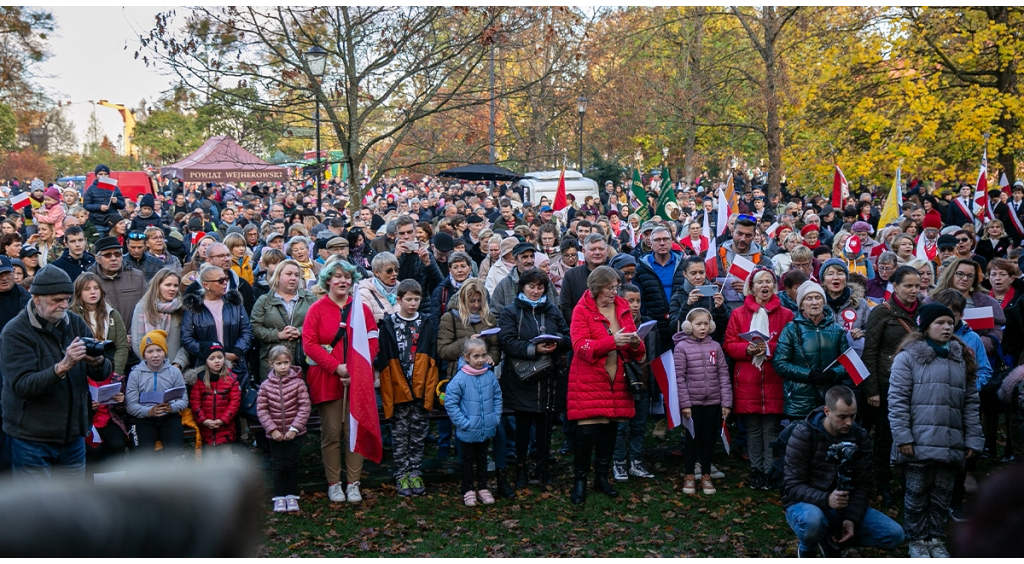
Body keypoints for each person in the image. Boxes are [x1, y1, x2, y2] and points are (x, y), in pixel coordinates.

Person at [888, 303, 984, 558]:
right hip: (918, 440)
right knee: (917, 492)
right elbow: (897, 401)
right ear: (926, 326)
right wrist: (903, 437)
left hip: (951, 439)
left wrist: (973, 437)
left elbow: (970, 402)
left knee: (942, 493)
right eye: (940, 322)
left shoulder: (960, 357)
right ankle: (917, 540)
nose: (947, 327)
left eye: (950, 323)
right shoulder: (907, 357)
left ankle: (935, 539)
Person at [0, 265, 113, 480]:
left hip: (73, 437)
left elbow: (102, 373)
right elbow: (22, 386)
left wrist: (98, 362)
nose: (64, 306)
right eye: (57, 300)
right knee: (36, 506)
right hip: (32, 438)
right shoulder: (15, 332)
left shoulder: (75, 323)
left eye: (67, 299)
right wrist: (63, 366)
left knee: (71, 505)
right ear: (36, 298)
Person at [783, 386, 905, 558]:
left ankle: (830, 541)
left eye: (852, 415)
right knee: (812, 522)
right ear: (827, 411)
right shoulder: (805, 433)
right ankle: (807, 547)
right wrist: (826, 499)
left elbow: (863, 484)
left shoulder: (859, 436)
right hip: (805, 504)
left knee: (894, 535)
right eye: (842, 416)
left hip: (843, 506)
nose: (849, 422)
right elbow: (792, 485)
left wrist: (851, 520)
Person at [302, 259, 379, 504]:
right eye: (337, 276)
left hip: (356, 382)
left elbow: (372, 342)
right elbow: (310, 345)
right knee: (332, 432)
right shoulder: (316, 309)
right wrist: (337, 367)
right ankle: (334, 483)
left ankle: (353, 482)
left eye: (347, 277)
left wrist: (356, 370)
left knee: (353, 431)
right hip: (327, 379)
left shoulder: (362, 309)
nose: (343, 281)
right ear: (327, 281)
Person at [568, 265, 645, 505]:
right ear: (597, 287)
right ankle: (579, 481)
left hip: (618, 379)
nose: (615, 292)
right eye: (610, 288)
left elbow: (638, 352)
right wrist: (612, 342)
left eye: (616, 287)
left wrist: (634, 343)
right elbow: (580, 346)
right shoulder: (581, 310)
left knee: (610, 432)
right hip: (590, 379)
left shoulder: (622, 308)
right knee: (587, 433)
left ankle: (601, 477)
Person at [498, 268, 571, 491]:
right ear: (522, 287)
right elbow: (506, 341)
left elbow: (567, 336)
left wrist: (557, 343)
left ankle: (542, 468)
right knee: (522, 426)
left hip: (549, 377)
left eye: (540, 287)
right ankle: (521, 469)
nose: (535, 291)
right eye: (532, 286)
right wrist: (533, 348)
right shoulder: (511, 311)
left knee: (545, 426)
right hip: (522, 378)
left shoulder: (551, 309)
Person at [723, 267, 794, 490]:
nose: (764, 286)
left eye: (769, 282)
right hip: (748, 381)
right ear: (751, 287)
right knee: (753, 429)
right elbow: (729, 344)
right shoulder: (738, 314)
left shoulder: (786, 314)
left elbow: (790, 346)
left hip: (774, 379)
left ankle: (769, 470)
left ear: (774, 286)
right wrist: (748, 349)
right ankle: (756, 470)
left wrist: (769, 348)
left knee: (772, 429)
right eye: (760, 282)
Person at [375, 279, 439, 497]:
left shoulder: (427, 323)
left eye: (417, 299)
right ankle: (401, 473)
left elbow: (432, 357)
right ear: (399, 300)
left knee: (419, 433)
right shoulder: (388, 324)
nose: (413, 303)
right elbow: (383, 360)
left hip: (421, 386)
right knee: (401, 434)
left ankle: (415, 471)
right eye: (409, 299)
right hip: (397, 386)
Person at [673, 308, 732, 496]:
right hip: (693, 404)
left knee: (708, 439)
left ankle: (706, 474)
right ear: (689, 326)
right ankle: (689, 474)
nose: (703, 327)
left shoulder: (715, 346)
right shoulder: (681, 348)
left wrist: (726, 402)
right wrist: (685, 404)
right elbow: (679, 378)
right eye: (698, 324)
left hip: (713, 402)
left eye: (706, 324)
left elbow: (723, 374)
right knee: (691, 440)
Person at [774, 281, 851, 420]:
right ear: (801, 305)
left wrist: (833, 373)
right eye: (809, 299)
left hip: (830, 400)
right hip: (799, 402)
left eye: (818, 297)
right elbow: (780, 364)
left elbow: (849, 364)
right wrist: (808, 375)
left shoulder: (837, 330)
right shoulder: (791, 329)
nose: (814, 302)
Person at [444, 338, 503, 507]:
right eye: (476, 356)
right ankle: (468, 488)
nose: (480, 360)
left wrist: (495, 417)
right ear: (467, 357)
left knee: (483, 458)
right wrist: (463, 423)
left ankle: (483, 487)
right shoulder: (460, 378)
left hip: (486, 428)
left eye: (483, 355)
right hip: (468, 430)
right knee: (468, 461)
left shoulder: (489, 375)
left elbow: (497, 397)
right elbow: (451, 402)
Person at [612, 283, 657, 483]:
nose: (635, 305)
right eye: (630, 301)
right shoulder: (615, 324)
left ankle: (636, 461)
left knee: (639, 425)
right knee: (621, 427)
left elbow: (654, 352)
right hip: (622, 382)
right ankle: (619, 462)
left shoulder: (648, 325)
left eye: (638, 301)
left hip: (643, 380)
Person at [257, 344, 311, 513]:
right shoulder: (265, 386)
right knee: (278, 464)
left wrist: (294, 428)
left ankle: (291, 495)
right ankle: (279, 496)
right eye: (279, 363)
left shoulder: (298, 383)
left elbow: (304, 407)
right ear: (271, 364)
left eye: (286, 362)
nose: (283, 366)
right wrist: (272, 429)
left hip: (294, 433)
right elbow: (262, 409)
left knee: (292, 463)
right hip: (275, 435)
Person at [124, 329, 188, 457]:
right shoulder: (135, 374)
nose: (155, 355)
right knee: (142, 454)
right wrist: (149, 411)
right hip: (143, 418)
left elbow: (184, 400)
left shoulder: (174, 372)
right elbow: (130, 405)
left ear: (165, 352)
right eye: (150, 351)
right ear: (143, 355)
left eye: (159, 350)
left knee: (176, 453)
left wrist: (172, 408)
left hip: (169, 416)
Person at [250, 259, 316, 382]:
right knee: (275, 397)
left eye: (297, 275)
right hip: (273, 360)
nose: (293, 278)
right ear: (278, 276)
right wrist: (278, 334)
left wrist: (300, 331)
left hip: (302, 359)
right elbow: (255, 328)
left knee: (302, 397)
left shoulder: (310, 299)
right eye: (289, 274)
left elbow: (319, 324)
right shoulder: (264, 301)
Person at [181, 264, 254, 375]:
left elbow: (247, 331)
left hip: (235, 366)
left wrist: (236, 353)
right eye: (220, 280)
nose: (225, 283)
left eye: (226, 279)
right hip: (204, 368)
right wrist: (212, 354)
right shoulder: (193, 307)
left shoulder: (234, 303)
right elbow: (187, 338)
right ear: (206, 285)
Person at [634, 226, 685, 353]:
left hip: (680, 323)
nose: (662, 243)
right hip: (653, 325)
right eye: (657, 240)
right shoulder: (641, 268)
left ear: (671, 242)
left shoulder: (684, 264)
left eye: (666, 239)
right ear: (650, 244)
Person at [69, 273, 130, 376]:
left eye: (96, 288)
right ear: (79, 292)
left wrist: (115, 373)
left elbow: (121, 347)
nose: (93, 292)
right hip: (81, 374)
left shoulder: (113, 314)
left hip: (109, 371)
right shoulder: (71, 315)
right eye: (87, 289)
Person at [187, 341, 242, 454]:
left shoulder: (231, 379)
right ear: (205, 360)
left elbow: (235, 403)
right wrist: (204, 420)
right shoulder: (199, 380)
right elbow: (195, 403)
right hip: (207, 426)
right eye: (212, 358)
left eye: (220, 357)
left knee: (227, 455)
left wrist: (223, 420)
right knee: (210, 457)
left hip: (226, 426)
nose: (217, 361)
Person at [88, 237, 147, 331]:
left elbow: (146, 307)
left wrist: (133, 334)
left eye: (117, 254)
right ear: (97, 259)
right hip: (105, 338)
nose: (113, 258)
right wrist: (118, 337)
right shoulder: (89, 281)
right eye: (107, 255)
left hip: (136, 335)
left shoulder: (137, 277)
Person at [668, 256, 728, 343]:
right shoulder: (678, 296)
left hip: (713, 346)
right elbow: (674, 329)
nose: (698, 277)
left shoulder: (716, 293)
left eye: (701, 272)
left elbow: (726, 327)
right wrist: (687, 305)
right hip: (687, 349)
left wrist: (721, 308)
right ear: (684, 274)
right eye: (693, 273)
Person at [818, 258, 870, 356]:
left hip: (853, 359)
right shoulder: (817, 304)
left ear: (846, 278)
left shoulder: (861, 303)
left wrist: (863, 333)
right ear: (823, 280)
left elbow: (873, 331)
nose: (836, 277)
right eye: (830, 274)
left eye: (840, 273)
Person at [82, 164, 125, 238]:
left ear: (109, 175)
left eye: (105, 174)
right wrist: (99, 207)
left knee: (112, 242)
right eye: (100, 174)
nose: (103, 176)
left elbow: (122, 205)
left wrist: (116, 201)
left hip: (111, 222)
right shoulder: (91, 189)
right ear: (96, 175)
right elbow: (86, 205)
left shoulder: (115, 188)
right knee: (100, 242)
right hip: (97, 222)